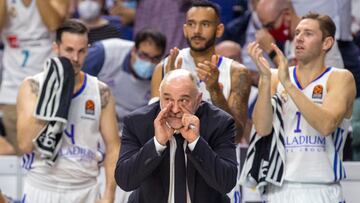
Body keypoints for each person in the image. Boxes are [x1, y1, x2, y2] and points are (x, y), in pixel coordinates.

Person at [247, 13, 356, 202]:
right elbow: (262, 129)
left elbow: (326, 125)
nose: (299, 37)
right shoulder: (274, 76)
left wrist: (289, 85)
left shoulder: (340, 78)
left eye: (308, 33)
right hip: (278, 187)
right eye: (297, 32)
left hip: (321, 188)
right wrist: (265, 80)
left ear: (326, 43)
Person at [16, 19, 120, 203]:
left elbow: (113, 146)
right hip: (41, 186)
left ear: (87, 50)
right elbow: (25, 145)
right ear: (56, 48)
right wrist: (52, 99)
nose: (75, 58)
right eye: (69, 50)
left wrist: (109, 195)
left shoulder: (100, 91)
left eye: (81, 51)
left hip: (84, 189)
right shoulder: (33, 86)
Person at [115, 69, 237, 203]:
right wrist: (157, 143)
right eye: (168, 99)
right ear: (159, 97)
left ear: (198, 99)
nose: (175, 109)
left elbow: (227, 183)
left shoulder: (220, 123)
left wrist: (195, 142)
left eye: (183, 100)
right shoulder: (137, 122)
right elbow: (125, 181)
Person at [151, 1, 251, 143]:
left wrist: (215, 91)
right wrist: (170, 84)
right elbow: (152, 127)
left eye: (205, 24)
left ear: (219, 30)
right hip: (175, 159)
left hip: (217, 159)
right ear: (185, 29)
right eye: (191, 24)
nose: (197, 31)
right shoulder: (165, 67)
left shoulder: (237, 72)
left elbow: (236, 136)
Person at [0, 0, 70, 155]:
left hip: (50, 91)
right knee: (21, 159)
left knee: (48, 157)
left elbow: (53, 23)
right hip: (13, 92)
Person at [83, 28, 166, 128]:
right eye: (144, 55)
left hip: (131, 128)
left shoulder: (163, 72)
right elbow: (78, 83)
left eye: (155, 58)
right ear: (134, 50)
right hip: (92, 116)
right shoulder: (104, 52)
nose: (149, 63)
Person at [255, 0, 344, 69]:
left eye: (270, 25)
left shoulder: (314, 34)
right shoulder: (289, 41)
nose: (268, 32)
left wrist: (272, 52)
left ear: (287, 15)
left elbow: (299, 82)